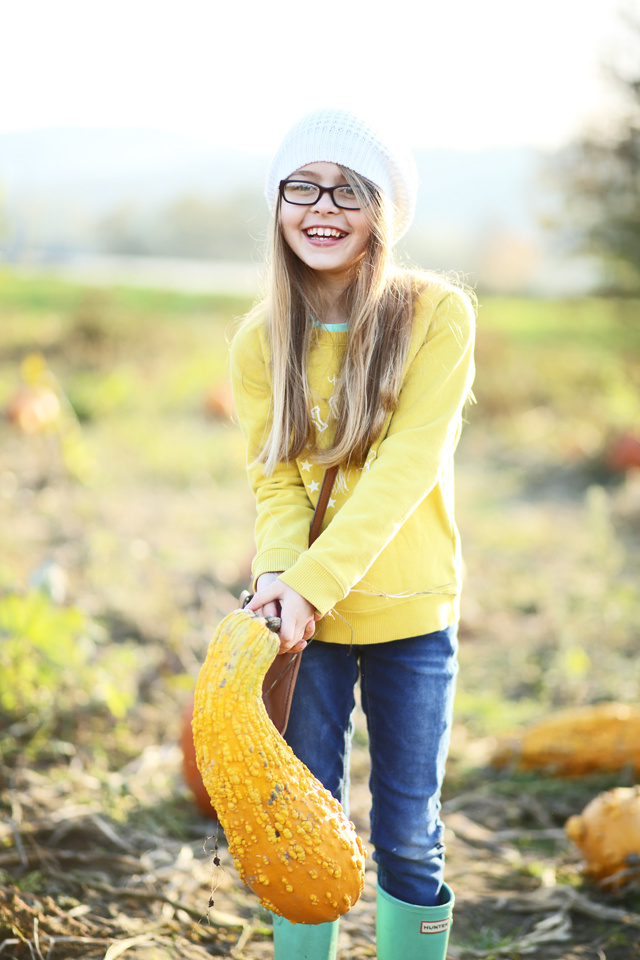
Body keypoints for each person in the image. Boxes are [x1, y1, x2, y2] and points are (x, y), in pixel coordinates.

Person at [230, 108, 475, 960]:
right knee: (305, 823)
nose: (322, 206)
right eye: (302, 186)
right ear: (278, 204)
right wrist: (276, 577)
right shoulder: (261, 341)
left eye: (349, 189)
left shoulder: (436, 316)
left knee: (408, 832)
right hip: (309, 625)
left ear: (382, 210)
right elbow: (277, 482)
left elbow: (405, 471)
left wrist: (308, 581)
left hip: (411, 615)